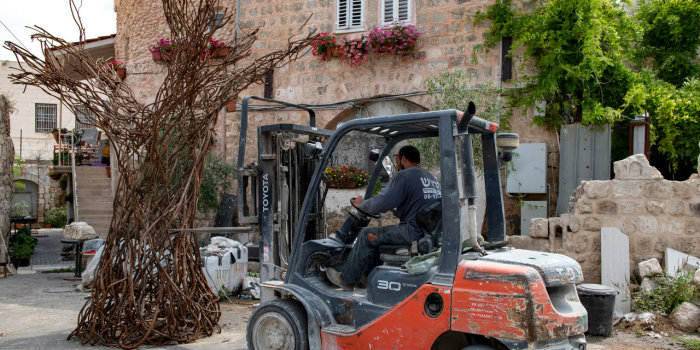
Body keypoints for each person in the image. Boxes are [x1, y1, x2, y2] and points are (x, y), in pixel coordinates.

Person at [326, 145, 442, 291]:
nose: (397, 163)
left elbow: (379, 203)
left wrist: (363, 204)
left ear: (404, 159)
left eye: (397, 159)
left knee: (367, 236)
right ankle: (366, 277)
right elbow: (417, 206)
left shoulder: (404, 176)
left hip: (411, 231)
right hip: (425, 233)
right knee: (377, 241)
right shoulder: (429, 177)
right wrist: (393, 208)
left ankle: (346, 279)